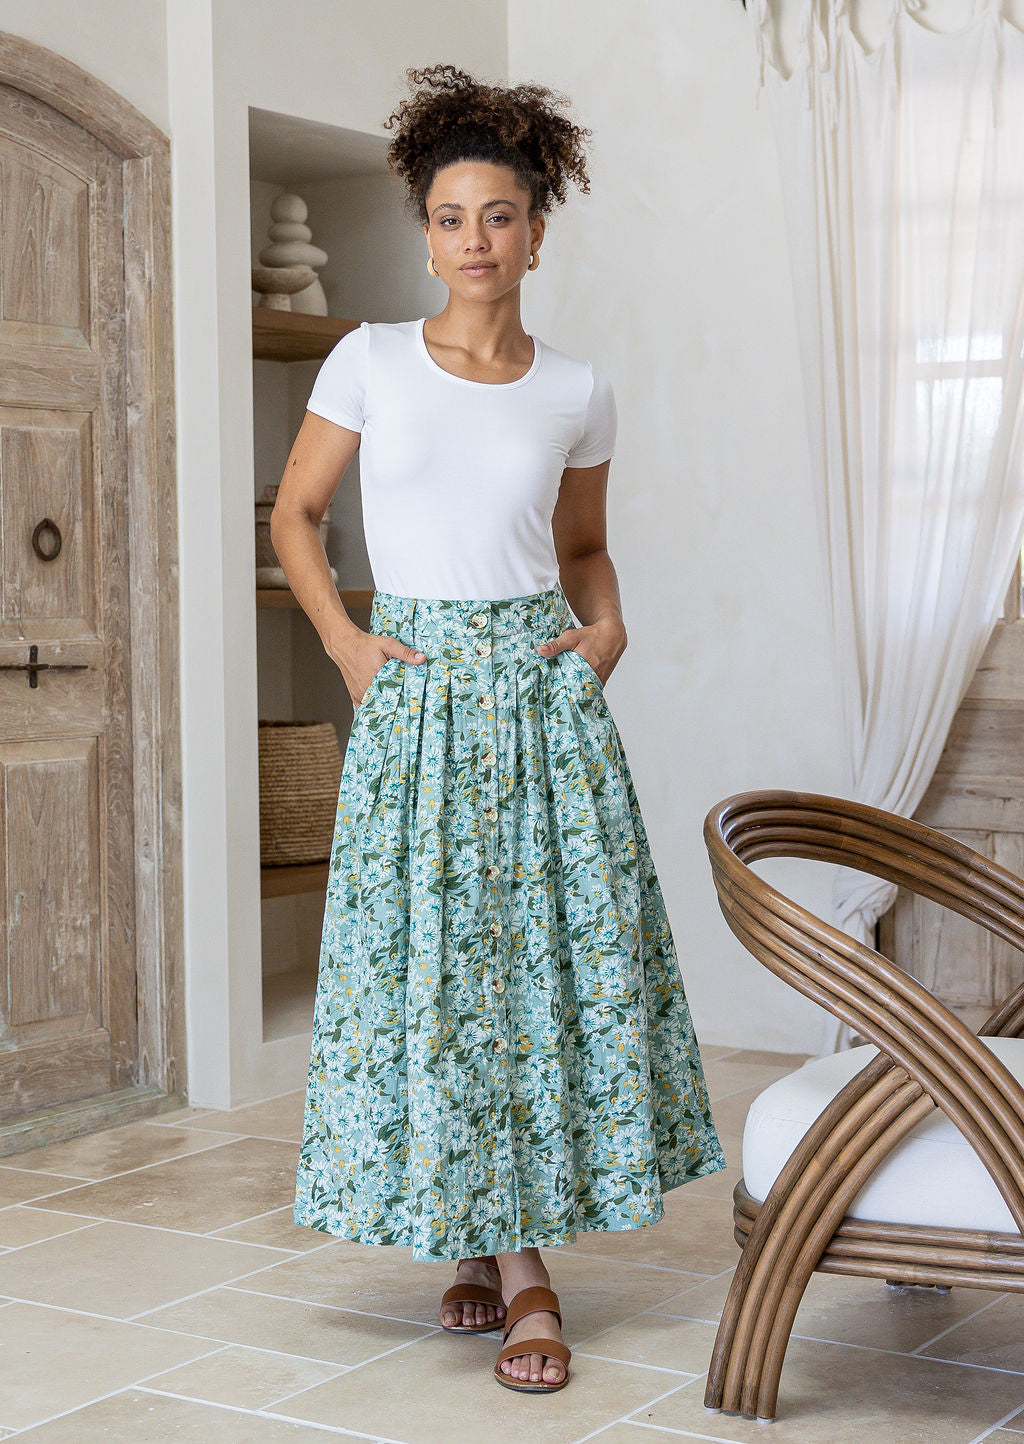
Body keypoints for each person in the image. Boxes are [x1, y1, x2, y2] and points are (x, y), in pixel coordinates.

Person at [276, 62, 725, 1397]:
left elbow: (584, 550)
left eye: (501, 217)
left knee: (528, 981)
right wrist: (351, 650)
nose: (475, 241)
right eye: (451, 217)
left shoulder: (576, 389)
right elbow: (296, 519)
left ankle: (519, 1263)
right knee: (429, 973)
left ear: (538, 229)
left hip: (540, 705)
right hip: (415, 703)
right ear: (425, 229)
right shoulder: (368, 359)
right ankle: (471, 1240)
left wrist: (608, 629)